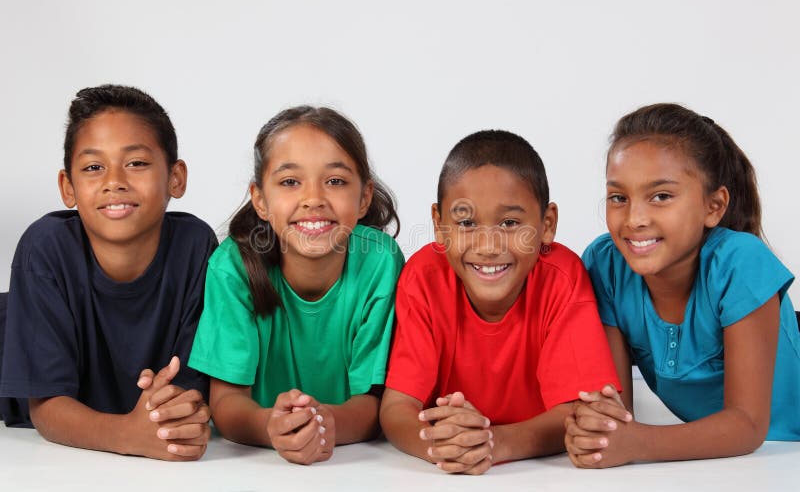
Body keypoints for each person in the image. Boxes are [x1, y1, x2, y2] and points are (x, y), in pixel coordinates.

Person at [566, 103, 800, 468]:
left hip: (782, 455)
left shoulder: (741, 262)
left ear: (714, 206)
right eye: (618, 197)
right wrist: (597, 431)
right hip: (731, 468)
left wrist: (637, 444)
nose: (635, 219)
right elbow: (615, 411)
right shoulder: (606, 265)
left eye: (661, 196)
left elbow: (748, 426)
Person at [380, 130, 620, 475]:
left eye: (510, 223)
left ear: (546, 225)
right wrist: (440, 444)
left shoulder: (562, 278)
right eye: (466, 222)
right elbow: (396, 407)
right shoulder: (423, 279)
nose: (489, 245)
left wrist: (495, 443)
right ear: (439, 225)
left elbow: (582, 413)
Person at [0, 85, 216, 460]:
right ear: (68, 187)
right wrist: (128, 435)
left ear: (175, 178)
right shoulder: (45, 247)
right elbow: (47, 409)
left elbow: (189, 393)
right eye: (93, 167)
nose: (114, 181)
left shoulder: (195, 247)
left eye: (136, 163)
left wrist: (167, 413)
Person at [189, 106, 404, 465]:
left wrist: (324, 423)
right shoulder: (232, 267)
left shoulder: (379, 262)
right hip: (254, 471)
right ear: (260, 199)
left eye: (335, 181)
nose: (314, 199)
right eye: (290, 182)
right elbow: (225, 403)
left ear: (364, 197)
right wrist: (271, 427)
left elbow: (373, 402)